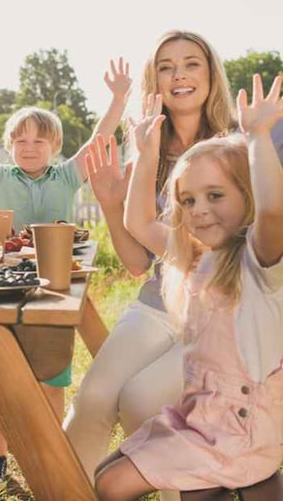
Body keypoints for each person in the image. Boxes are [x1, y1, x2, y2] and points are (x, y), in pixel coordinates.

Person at [0, 55, 132, 488]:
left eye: (39, 141)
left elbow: (99, 138)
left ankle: (47, 449)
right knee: (5, 377)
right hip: (6, 288)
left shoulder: (68, 176)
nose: (30, 147)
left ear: (54, 146)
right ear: (9, 146)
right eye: (20, 141)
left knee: (52, 374)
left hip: (54, 288)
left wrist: (118, 98)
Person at [63, 30, 241, 501]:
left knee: (142, 400)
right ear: (155, 81)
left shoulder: (234, 148)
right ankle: (66, 491)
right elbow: (138, 261)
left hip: (216, 312)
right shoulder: (146, 145)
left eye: (191, 64)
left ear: (210, 75)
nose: (179, 74)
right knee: (93, 400)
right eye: (166, 66)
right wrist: (107, 201)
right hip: (158, 303)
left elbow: (162, 232)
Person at [93, 73, 283, 500]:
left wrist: (258, 137)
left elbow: (273, 213)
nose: (199, 210)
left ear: (247, 195)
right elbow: (139, 223)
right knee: (108, 470)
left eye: (216, 195)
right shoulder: (197, 256)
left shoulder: (261, 264)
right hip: (198, 417)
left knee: (111, 484)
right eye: (188, 199)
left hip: (238, 430)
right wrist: (147, 152)